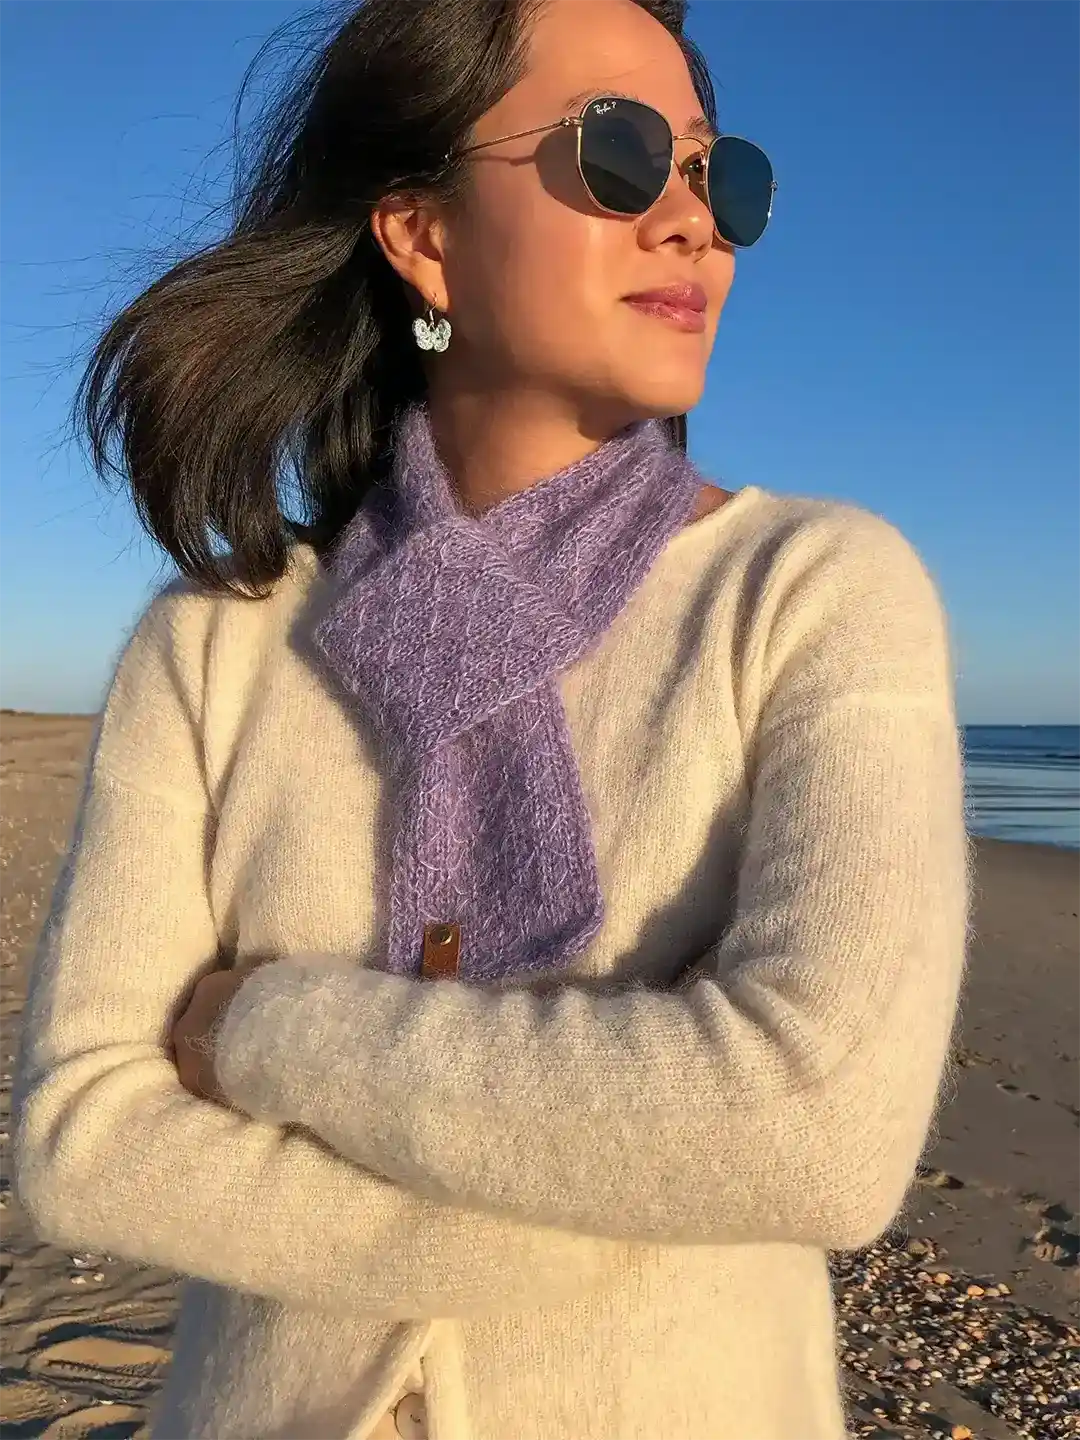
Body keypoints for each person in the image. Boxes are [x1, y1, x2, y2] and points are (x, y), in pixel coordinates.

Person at [13, 0, 970, 1436]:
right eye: (622, 154)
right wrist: (597, 1200)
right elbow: (84, 1136)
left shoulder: (811, 594)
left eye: (721, 174)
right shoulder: (218, 641)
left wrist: (265, 1031)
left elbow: (816, 1131)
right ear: (422, 231)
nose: (693, 222)